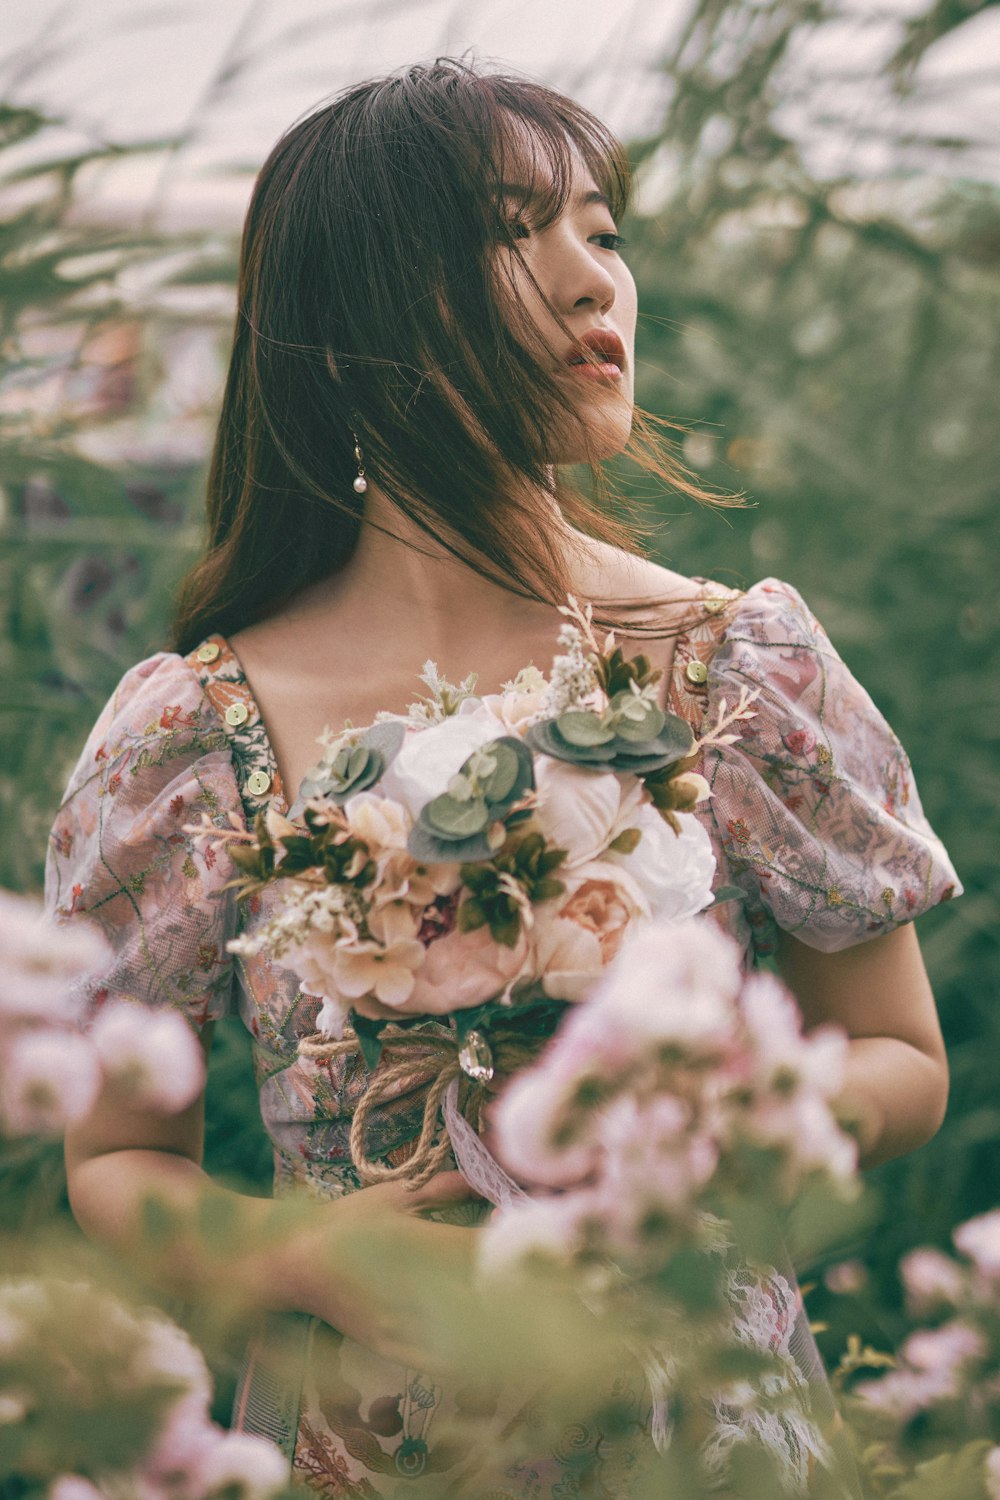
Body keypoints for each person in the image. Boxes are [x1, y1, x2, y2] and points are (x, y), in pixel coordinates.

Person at [45, 58, 960, 1498]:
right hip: (371, 1449)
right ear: (353, 309)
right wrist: (309, 1249)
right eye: (512, 227)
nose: (597, 281)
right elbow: (113, 1161)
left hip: (704, 1438)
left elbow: (904, 1057)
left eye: (604, 230)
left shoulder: (733, 667)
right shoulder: (192, 734)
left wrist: (718, 1127)